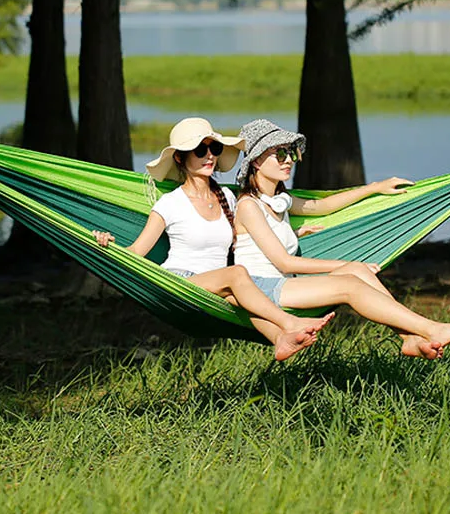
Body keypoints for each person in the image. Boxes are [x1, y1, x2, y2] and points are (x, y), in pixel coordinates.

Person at [232, 119, 450, 360]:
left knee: (357, 271)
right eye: (280, 154)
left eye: (291, 153)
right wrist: (340, 266)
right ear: (256, 161)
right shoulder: (249, 206)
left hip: (283, 285)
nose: (289, 160)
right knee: (350, 282)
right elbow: (286, 263)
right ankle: (431, 329)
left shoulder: (280, 201)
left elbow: (322, 206)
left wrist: (373, 187)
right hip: (260, 288)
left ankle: (409, 337)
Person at [92, 117, 333, 361]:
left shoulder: (227, 196)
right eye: (199, 150)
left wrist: (291, 233)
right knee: (238, 275)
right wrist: (106, 243)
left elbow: (255, 226)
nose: (209, 156)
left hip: (221, 285)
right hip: (180, 282)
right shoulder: (170, 203)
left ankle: (280, 339)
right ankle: (290, 322)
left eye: (214, 148)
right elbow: (136, 252)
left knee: (242, 296)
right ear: (179, 158)